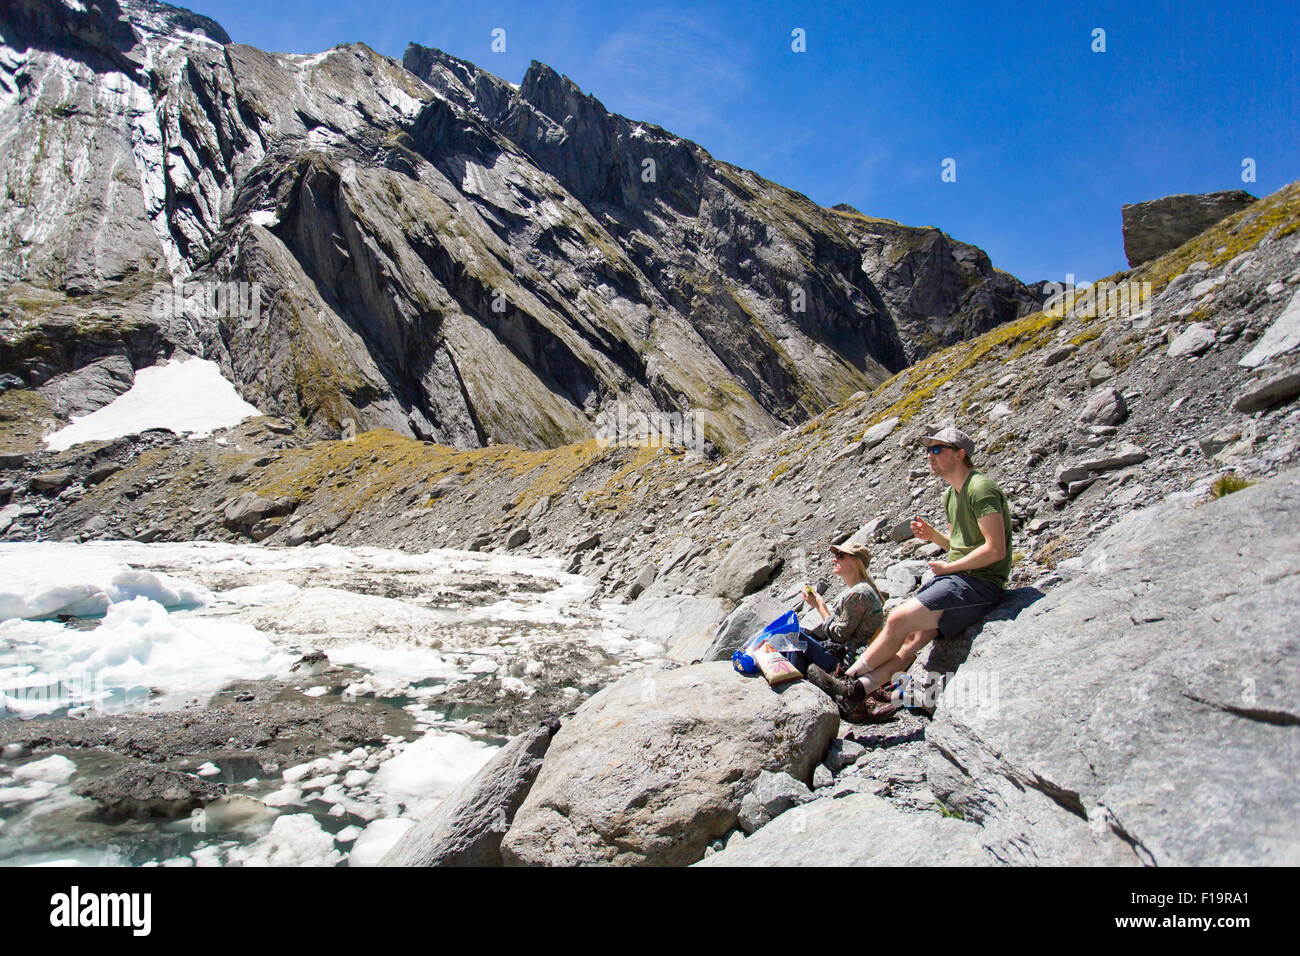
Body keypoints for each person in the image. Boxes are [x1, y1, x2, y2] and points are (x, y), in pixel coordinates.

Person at [809, 426, 1011, 721]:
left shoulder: (980, 488)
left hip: (980, 583)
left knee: (900, 618)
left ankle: (847, 678)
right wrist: (935, 538)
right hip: (959, 578)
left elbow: (996, 550)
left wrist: (950, 567)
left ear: (960, 454)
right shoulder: (951, 496)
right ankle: (859, 692)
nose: (930, 455)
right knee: (912, 639)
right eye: (929, 450)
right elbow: (959, 545)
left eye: (937, 449)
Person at [785, 542, 884, 676]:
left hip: (848, 661)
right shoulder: (862, 589)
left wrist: (820, 605)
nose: (834, 559)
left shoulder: (859, 594)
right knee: (801, 632)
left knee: (792, 635)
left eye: (841, 556)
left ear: (856, 562)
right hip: (846, 653)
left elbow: (839, 635)